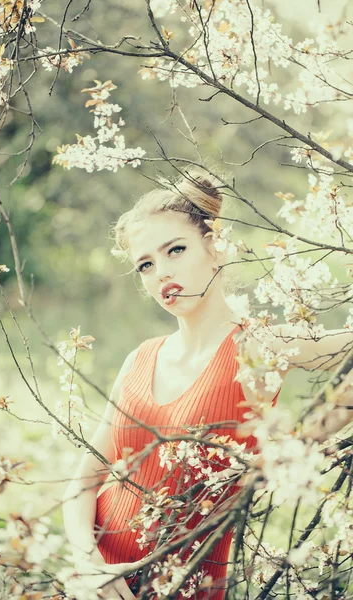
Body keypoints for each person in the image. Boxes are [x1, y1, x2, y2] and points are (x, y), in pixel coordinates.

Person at [62, 169, 353, 600]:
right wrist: (87, 565)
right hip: (99, 582)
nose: (161, 273)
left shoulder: (260, 344)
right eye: (146, 264)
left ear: (215, 248)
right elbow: (84, 481)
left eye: (175, 250)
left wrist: (304, 442)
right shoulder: (140, 358)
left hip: (188, 585)